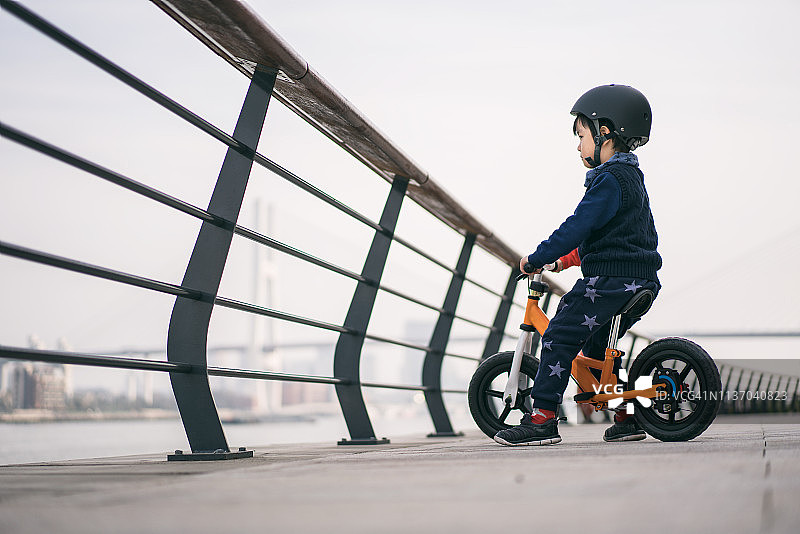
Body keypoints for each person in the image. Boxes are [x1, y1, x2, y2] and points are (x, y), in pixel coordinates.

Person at [494, 84, 662, 446]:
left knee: (558, 334)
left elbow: (578, 226)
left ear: (605, 133)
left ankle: (542, 419)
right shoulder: (630, 178)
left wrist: (536, 258)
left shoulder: (608, 180)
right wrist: (562, 261)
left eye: (581, 135)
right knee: (602, 349)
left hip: (611, 282)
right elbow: (606, 237)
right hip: (640, 280)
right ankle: (625, 417)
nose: (578, 145)